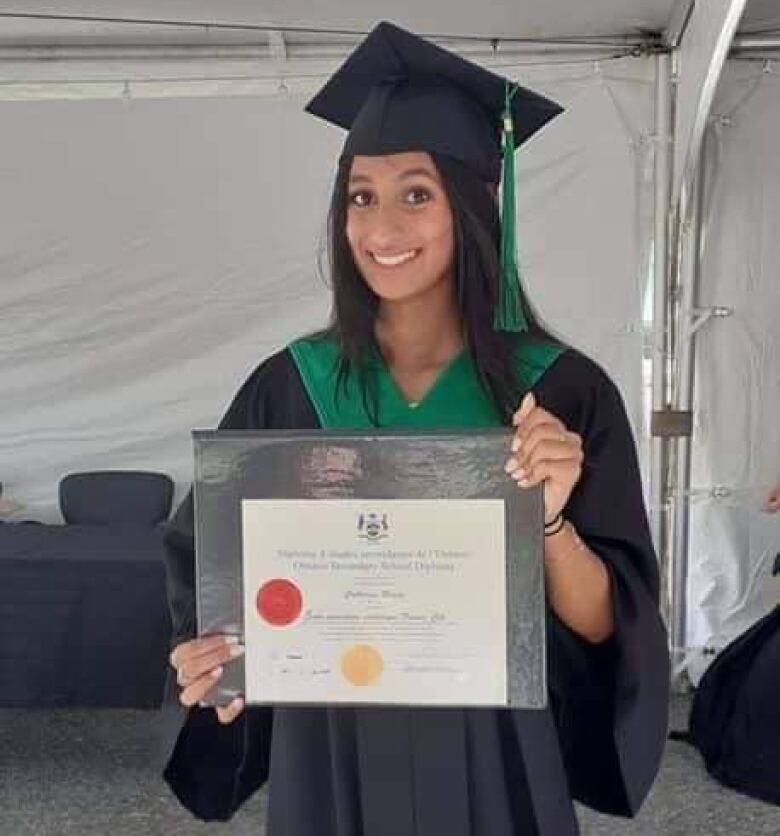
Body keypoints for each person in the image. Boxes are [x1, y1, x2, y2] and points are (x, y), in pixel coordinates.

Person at [161, 21, 670, 836]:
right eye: (361, 196)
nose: (381, 227)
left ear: (473, 206)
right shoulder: (290, 385)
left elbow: (613, 624)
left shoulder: (563, 393)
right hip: (329, 749)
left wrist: (547, 517)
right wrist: (210, 659)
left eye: (416, 193)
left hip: (498, 749)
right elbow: (215, 575)